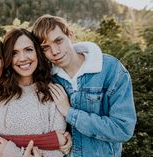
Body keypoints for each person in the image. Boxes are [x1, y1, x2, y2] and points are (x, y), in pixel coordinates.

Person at [31, 14, 137, 157]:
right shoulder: (48, 79)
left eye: (59, 41)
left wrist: (70, 113)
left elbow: (123, 128)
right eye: (45, 48)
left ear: (70, 35)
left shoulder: (110, 69)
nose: (55, 51)